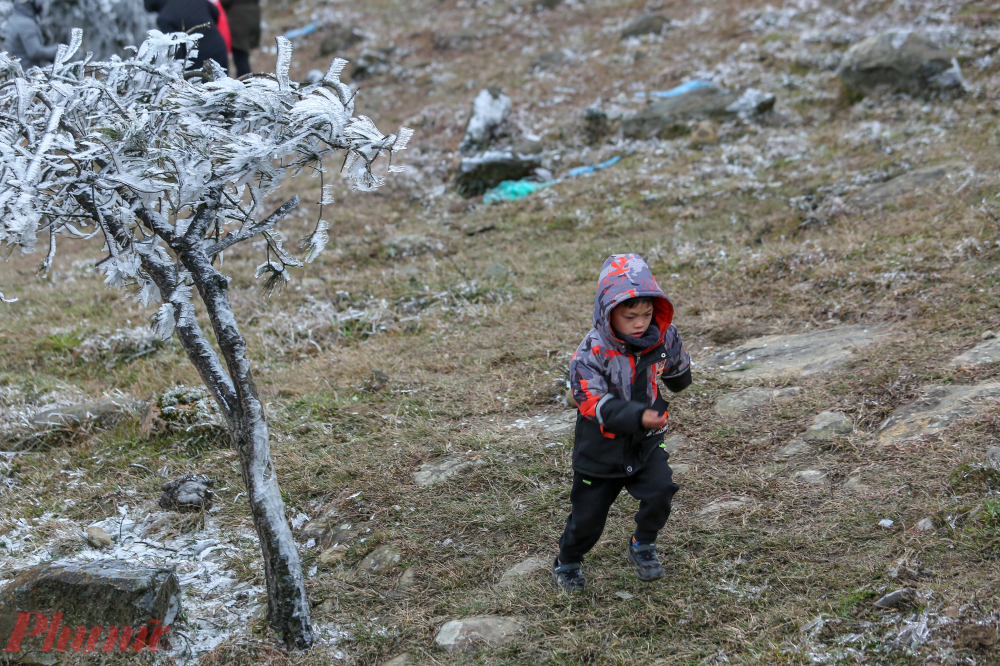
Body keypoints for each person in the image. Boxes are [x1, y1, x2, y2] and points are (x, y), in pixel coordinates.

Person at [553, 253, 692, 591]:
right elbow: (593, 403)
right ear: (608, 311)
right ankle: (568, 560)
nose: (640, 323)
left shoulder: (660, 335)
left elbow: (674, 360)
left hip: (644, 442)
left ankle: (642, 543)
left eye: (647, 314)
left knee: (661, 490)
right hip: (600, 449)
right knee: (587, 518)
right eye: (630, 316)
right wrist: (637, 416)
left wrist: (679, 376)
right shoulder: (591, 353)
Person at [144, 0, 228, 71]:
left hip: (198, 56)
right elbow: (215, 11)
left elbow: (176, 49)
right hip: (219, 46)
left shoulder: (165, 17)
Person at [4, 0, 59, 70]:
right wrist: (58, 49)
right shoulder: (26, 24)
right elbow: (35, 52)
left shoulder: (13, 19)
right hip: (28, 74)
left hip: (17, 72)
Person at [220, 0, 259, 77]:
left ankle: (245, 83)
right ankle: (246, 82)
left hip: (239, 22)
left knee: (240, 57)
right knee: (243, 55)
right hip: (253, 19)